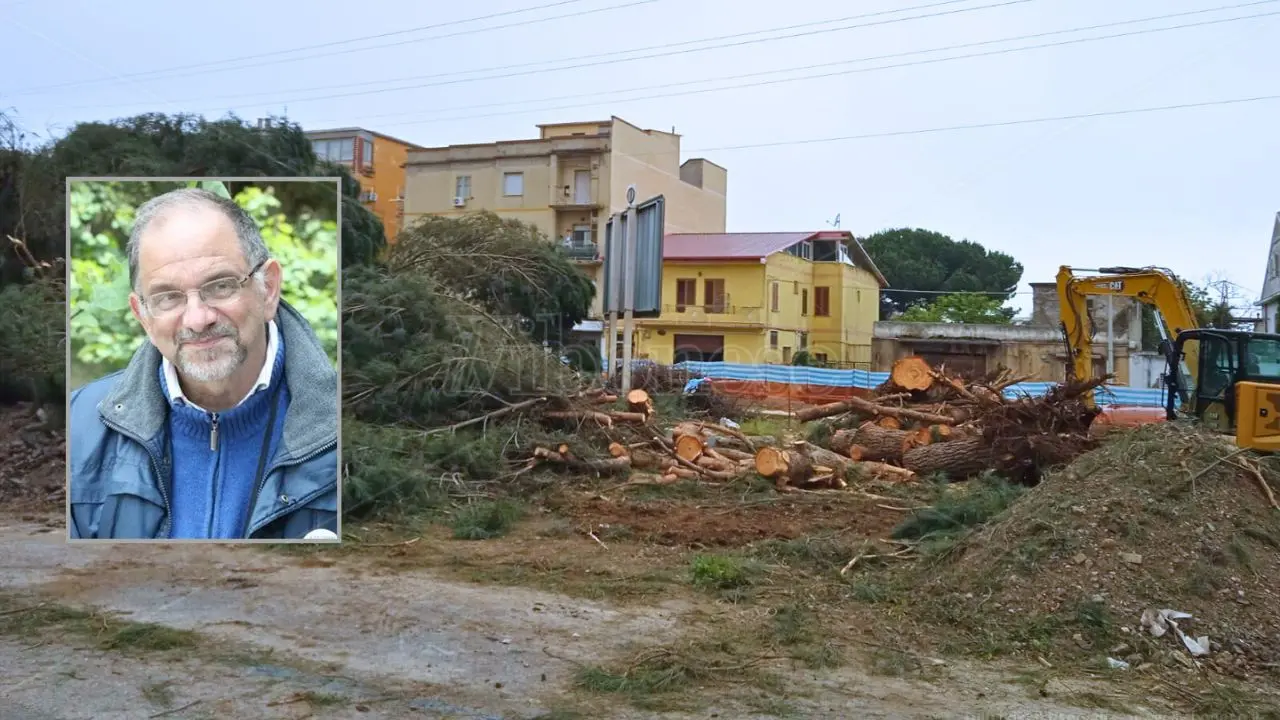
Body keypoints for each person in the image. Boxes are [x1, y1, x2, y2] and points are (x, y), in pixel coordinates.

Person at [69, 187, 338, 540]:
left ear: (268, 289)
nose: (198, 319)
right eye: (168, 297)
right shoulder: (81, 426)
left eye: (221, 286)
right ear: (143, 315)